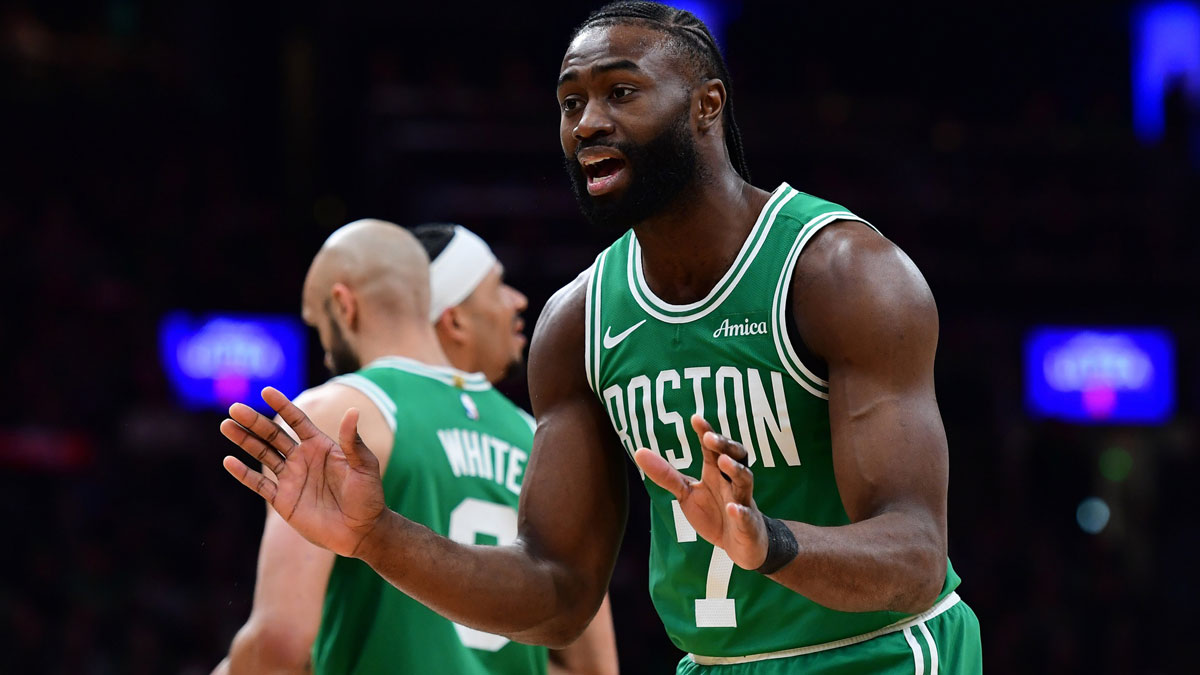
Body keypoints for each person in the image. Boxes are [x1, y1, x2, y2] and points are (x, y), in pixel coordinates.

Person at [218, 3, 984, 673]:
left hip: (884, 653)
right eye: (570, 102)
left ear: (706, 106)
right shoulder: (578, 321)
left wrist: (769, 542)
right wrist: (378, 536)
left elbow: (916, 556)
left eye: (622, 93)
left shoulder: (843, 273)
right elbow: (556, 594)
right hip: (716, 664)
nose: (588, 124)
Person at [213, 219, 612, 674]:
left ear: (344, 307)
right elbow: (594, 667)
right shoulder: (538, 436)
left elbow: (279, 643)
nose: (324, 349)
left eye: (317, 324)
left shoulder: (338, 414)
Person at [413, 221, 619, 674]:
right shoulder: (538, 438)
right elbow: (594, 667)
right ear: (455, 319)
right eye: (498, 287)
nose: (518, 299)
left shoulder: (370, 423)